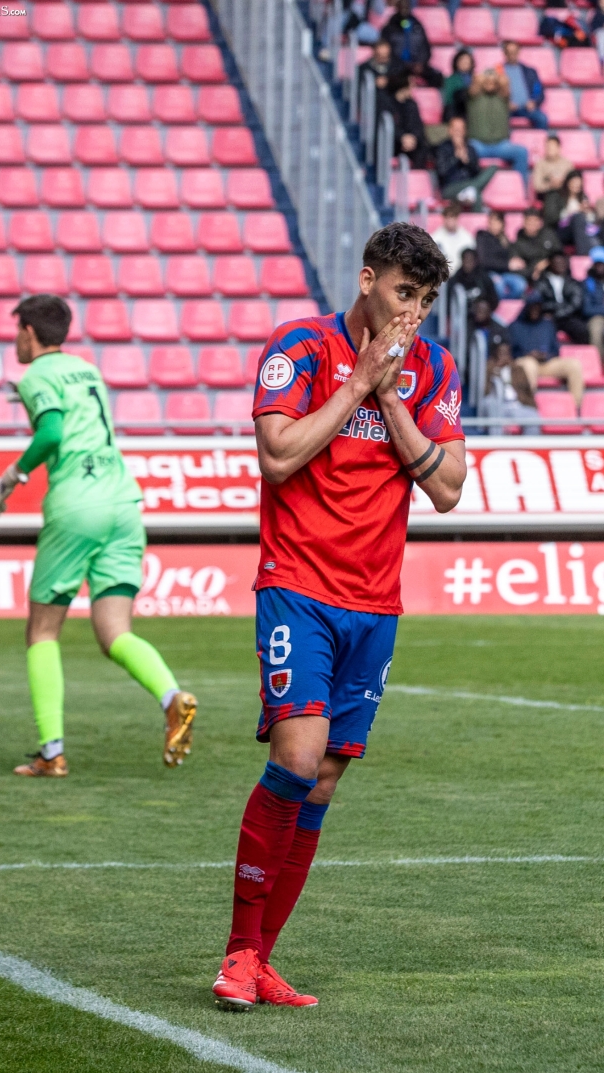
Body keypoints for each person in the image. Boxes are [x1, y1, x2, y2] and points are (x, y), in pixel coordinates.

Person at [211, 223, 466, 1009]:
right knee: (296, 758)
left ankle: (261, 957)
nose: (411, 313)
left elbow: (449, 485)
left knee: (321, 783)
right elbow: (278, 456)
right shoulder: (301, 347)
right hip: (298, 585)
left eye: (424, 300)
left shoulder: (431, 368)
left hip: (374, 601)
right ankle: (236, 953)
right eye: (401, 292)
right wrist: (358, 384)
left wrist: (389, 392)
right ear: (365, 279)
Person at [0, 295, 197, 776]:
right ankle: (172, 696)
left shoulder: (36, 375)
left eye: (17, 330)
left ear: (28, 332)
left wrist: (13, 475)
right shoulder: (88, 371)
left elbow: (52, 434)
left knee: (42, 631)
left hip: (77, 505)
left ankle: (51, 752)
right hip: (123, 504)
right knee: (115, 632)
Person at [509, 292, 584, 405]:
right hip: (525, 363)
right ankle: (529, 407)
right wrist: (527, 355)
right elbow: (511, 352)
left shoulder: (548, 325)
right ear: (527, 308)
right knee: (529, 365)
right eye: (532, 307)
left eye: (537, 307)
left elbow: (556, 350)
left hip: (546, 363)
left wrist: (545, 355)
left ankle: (575, 408)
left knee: (574, 364)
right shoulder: (515, 326)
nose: (535, 310)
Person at [466, 68, 529, 185]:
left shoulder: (503, 97)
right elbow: (475, 83)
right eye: (487, 81)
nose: (490, 83)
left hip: (501, 145)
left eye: (493, 81)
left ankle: (520, 191)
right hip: (478, 145)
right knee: (467, 152)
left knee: (521, 152)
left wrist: (494, 76)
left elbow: (505, 82)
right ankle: (470, 188)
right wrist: (483, 77)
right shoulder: (474, 97)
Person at [434, 116, 497, 210]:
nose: (458, 133)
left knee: (493, 167)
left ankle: (469, 192)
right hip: (450, 187)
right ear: (450, 131)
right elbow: (442, 172)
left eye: (461, 130)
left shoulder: (470, 149)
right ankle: (469, 192)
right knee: (475, 191)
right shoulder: (443, 148)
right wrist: (456, 158)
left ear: (465, 131)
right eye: (456, 130)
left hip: (469, 183)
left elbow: (477, 172)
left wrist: (467, 161)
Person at [480, 341, 540, 435]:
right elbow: (484, 391)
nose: (504, 356)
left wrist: (531, 405)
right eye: (501, 353)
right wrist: (495, 371)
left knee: (533, 416)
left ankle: (531, 447)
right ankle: (495, 444)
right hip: (498, 405)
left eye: (506, 353)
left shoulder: (518, 369)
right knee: (493, 406)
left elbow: (528, 391)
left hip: (516, 405)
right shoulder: (488, 368)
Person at [381, 0, 443, 87]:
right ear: (397, 8)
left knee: (437, 77)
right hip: (398, 66)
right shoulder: (390, 27)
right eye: (402, 7)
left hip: (417, 65)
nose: (404, 9)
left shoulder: (417, 25)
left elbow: (425, 47)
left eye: (406, 7)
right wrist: (402, 64)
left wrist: (420, 63)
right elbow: (386, 49)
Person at [537, 251, 589, 344]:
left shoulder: (573, 283)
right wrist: (551, 310)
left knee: (581, 330)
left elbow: (575, 303)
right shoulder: (542, 282)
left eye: (562, 263)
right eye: (556, 263)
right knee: (541, 330)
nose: (560, 265)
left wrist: (558, 313)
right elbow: (539, 301)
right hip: (547, 317)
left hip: (568, 317)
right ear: (550, 264)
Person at [382, 70, 430, 169]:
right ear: (403, 86)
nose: (413, 88)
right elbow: (387, 126)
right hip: (393, 142)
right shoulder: (386, 103)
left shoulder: (412, 104)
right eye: (411, 85)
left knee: (422, 146)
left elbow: (418, 126)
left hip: (410, 142)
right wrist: (402, 137)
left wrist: (413, 138)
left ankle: (416, 178)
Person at [476, 210, 528, 298]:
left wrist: (517, 261)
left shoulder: (504, 240)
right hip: (488, 272)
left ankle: (509, 308)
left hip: (504, 273)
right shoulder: (482, 237)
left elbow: (511, 256)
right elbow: (484, 261)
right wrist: (507, 265)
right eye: (492, 222)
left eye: (497, 222)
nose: (494, 225)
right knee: (499, 286)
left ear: (502, 224)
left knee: (521, 284)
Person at [552, 170, 604, 256]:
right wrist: (576, 211)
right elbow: (557, 219)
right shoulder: (559, 197)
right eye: (574, 182)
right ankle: (583, 254)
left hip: (583, 228)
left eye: (579, 182)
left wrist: (588, 213)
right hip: (564, 230)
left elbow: (590, 219)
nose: (577, 185)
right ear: (568, 183)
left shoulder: (584, 197)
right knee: (578, 217)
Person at [499, 41, 547, 130]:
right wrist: (505, 104)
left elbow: (538, 90)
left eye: (514, 52)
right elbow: (494, 93)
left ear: (518, 52)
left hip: (527, 108)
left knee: (541, 118)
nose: (512, 54)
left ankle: (539, 143)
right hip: (506, 109)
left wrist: (533, 102)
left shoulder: (530, 71)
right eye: (509, 52)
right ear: (505, 53)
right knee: (498, 119)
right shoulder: (498, 71)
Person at [510, 208, 562, 282]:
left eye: (535, 221)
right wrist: (533, 271)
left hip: (553, 272)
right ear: (524, 223)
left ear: (540, 222)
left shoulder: (549, 235)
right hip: (532, 278)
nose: (532, 224)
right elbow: (516, 266)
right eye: (529, 221)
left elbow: (560, 254)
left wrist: (546, 263)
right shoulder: (518, 243)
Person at [533, 134, 574, 227]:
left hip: (564, 196)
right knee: (553, 195)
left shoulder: (567, 164)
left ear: (559, 148)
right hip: (546, 197)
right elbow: (537, 186)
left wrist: (562, 183)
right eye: (547, 147)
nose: (549, 149)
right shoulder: (540, 164)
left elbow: (574, 182)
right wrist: (550, 185)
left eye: (552, 147)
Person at [432, 201, 478, 274]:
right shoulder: (435, 237)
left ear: (457, 218)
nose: (450, 221)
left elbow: (471, 259)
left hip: (462, 275)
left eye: (452, 217)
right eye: (447, 217)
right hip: (442, 275)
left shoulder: (467, 237)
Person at [450, 247, 499, 312]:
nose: (468, 264)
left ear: (475, 261)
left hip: (482, 316)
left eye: (470, 260)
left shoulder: (484, 278)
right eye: (465, 260)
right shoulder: (456, 279)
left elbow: (493, 300)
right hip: (462, 316)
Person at [582, 250, 604, 363]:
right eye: (597, 264)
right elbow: (587, 309)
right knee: (596, 330)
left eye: (602, 264)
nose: (600, 267)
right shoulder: (588, 283)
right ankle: (599, 364)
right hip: (597, 317)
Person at [441, 48, 474, 123]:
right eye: (462, 60)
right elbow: (449, 100)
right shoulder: (450, 80)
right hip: (456, 110)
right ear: (456, 62)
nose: (465, 62)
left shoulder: (475, 79)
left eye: (467, 60)